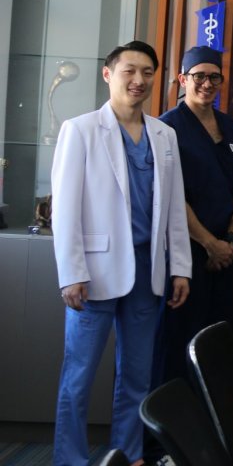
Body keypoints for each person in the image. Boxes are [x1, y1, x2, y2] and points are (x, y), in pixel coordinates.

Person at [51, 41, 191, 466]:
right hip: (93, 273)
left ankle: (129, 455)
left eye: (147, 72)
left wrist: (180, 267)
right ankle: (70, 459)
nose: (138, 80)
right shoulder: (80, 129)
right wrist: (71, 272)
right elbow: (65, 209)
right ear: (108, 74)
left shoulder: (164, 134)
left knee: (136, 375)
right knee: (79, 376)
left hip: (148, 270)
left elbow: (174, 208)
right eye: (129, 70)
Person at [156, 46, 233, 386]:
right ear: (183, 79)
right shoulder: (167, 128)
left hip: (225, 255)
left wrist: (230, 238)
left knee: (218, 341)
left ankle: (215, 417)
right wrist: (209, 243)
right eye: (198, 77)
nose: (207, 84)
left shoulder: (230, 127)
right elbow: (171, 195)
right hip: (187, 255)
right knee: (180, 340)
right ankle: (176, 419)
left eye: (214, 77)